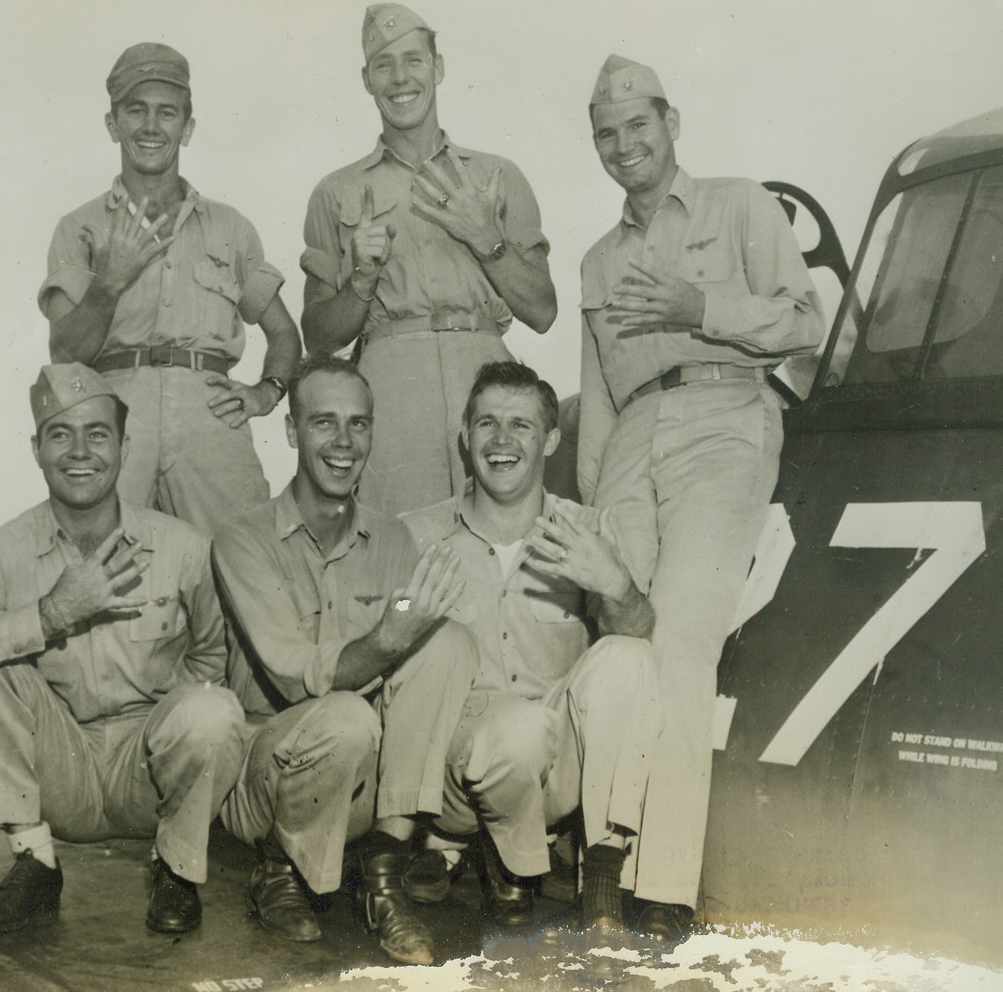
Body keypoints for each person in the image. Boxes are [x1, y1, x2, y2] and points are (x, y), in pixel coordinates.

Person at [577, 56, 824, 943]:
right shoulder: (597, 260)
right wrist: (595, 506)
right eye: (606, 133)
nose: (623, 145)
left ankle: (663, 886)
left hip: (723, 417)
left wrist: (701, 306)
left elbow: (805, 322)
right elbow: (596, 401)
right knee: (621, 636)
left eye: (638, 125)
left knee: (680, 637)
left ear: (671, 122)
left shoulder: (739, 204)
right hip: (630, 441)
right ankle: (604, 854)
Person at [0, 364, 244, 937]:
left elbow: (214, 657)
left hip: (144, 771)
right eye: (60, 434)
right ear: (36, 449)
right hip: (54, 770)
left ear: (125, 447)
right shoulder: (3, 550)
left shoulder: (182, 547)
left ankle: (176, 867)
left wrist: (174, 734)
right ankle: (34, 862)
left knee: (213, 708)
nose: (80, 452)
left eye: (97, 434)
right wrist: (51, 613)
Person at [211, 356, 478, 966]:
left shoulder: (393, 539)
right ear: (291, 431)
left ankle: (383, 873)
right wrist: (387, 639)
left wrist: (418, 626)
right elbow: (294, 677)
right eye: (323, 422)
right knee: (346, 715)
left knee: (451, 641)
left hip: (360, 777)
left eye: (358, 424)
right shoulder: (242, 539)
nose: (343, 442)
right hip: (271, 782)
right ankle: (276, 867)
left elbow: (414, 641)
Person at [401, 362, 662, 935]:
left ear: (549, 439)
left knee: (630, 655)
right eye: (487, 423)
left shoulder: (586, 530)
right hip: (454, 779)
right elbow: (386, 650)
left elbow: (639, 631)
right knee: (510, 727)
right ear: (465, 436)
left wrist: (616, 585)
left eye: (521, 425)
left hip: (549, 774)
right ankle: (456, 843)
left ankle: (601, 871)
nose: (502, 440)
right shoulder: (415, 534)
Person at [300, 4, 557, 520]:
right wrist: (362, 280)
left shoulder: (497, 176)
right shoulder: (336, 191)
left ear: (437, 67)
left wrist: (488, 240)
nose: (400, 78)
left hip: (486, 378)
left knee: (503, 537)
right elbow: (319, 338)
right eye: (384, 65)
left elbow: (543, 311)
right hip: (392, 387)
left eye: (414, 60)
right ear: (367, 80)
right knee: (400, 546)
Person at [39, 43, 301, 537]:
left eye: (167, 113)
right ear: (113, 124)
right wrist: (108, 284)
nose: (151, 126)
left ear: (187, 127)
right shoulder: (80, 228)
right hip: (117, 417)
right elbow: (65, 353)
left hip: (210, 414)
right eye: (136, 111)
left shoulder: (230, 226)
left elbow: (285, 333)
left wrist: (266, 392)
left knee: (242, 557)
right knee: (105, 560)